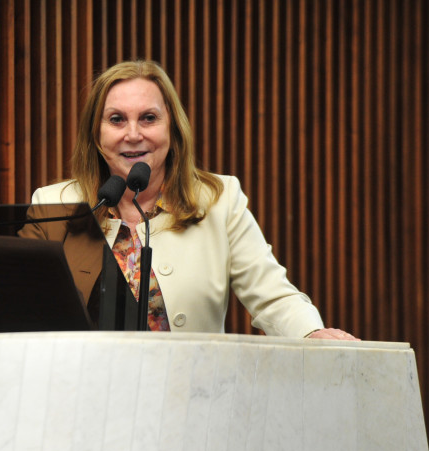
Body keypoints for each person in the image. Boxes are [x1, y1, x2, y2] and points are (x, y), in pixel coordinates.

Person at [21, 60, 357, 340]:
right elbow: (15, 302)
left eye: (149, 118)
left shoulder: (218, 201)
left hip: (192, 401)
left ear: (172, 129)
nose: (133, 133)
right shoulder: (55, 205)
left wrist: (312, 333)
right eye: (116, 119)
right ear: (96, 134)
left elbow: (272, 295)